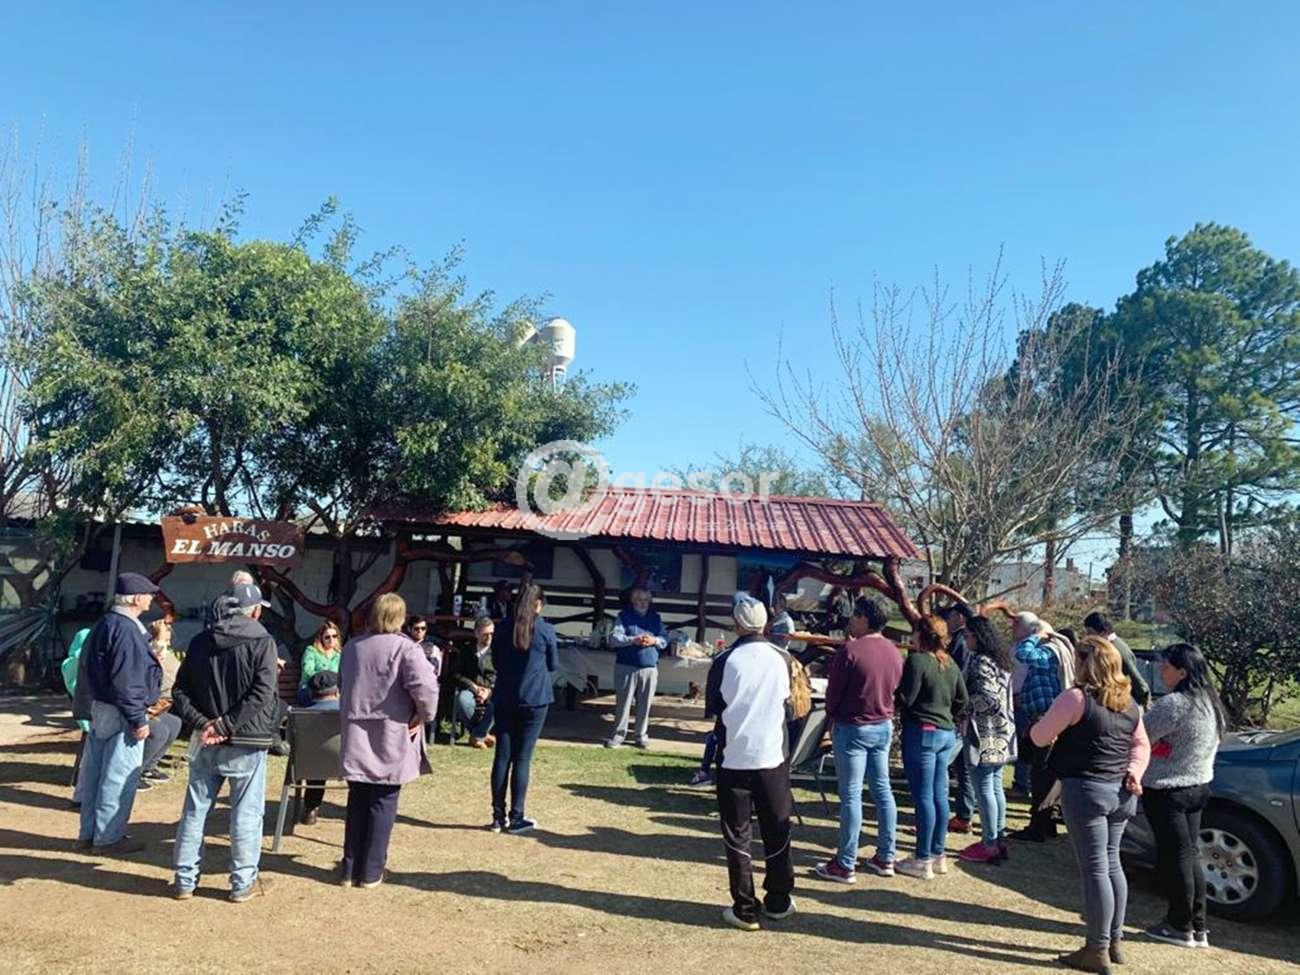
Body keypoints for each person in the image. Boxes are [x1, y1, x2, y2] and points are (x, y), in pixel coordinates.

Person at [1031, 637, 1150, 973]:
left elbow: (1040, 736)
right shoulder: (1129, 704)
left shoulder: (1076, 698)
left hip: (1086, 790)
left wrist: (1043, 724)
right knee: (1112, 865)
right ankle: (1113, 941)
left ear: (1085, 663)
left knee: (1096, 869)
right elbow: (1141, 745)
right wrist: (1134, 772)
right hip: (1121, 792)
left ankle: (1096, 949)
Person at [170, 582, 280, 902]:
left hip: (208, 737)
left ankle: (184, 880)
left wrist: (204, 723)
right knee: (246, 812)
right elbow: (262, 693)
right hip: (245, 737)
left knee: (195, 811)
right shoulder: (263, 642)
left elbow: (179, 690)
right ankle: (242, 882)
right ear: (254, 611)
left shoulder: (200, 642)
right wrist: (223, 724)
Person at [705, 592, 796, 930]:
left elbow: (715, 708)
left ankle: (744, 907)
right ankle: (778, 899)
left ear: (736, 624)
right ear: (765, 623)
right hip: (772, 755)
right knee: (777, 828)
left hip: (734, 757)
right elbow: (792, 705)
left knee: (737, 834)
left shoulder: (724, 660)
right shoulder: (783, 658)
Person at [338, 592, 440, 887]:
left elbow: (343, 685)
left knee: (358, 800)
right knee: (383, 801)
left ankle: (349, 870)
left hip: (356, 733)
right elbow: (426, 689)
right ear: (400, 618)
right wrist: (423, 716)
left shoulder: (352, 647)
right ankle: (371, 872)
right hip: (391, 732)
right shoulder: (407, 649)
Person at [1139, 643, 1224, 950]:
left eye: (1166, 667)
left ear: (1183, 672)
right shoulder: (1210, 702)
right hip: (1198, 785)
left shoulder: (1174, 704)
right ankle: (1198, 926)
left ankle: (1179, 925)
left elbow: (1140, 736)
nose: (1161, 672)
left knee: (1174, 858)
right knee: (1189, 854)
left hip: (1168, 789)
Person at [814, 597, 903, 883]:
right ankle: (886, 856)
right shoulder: (894, 651)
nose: (851, 619)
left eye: (855, 615)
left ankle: (845, 862)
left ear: (864, 618)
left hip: (853, 726)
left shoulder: (850, 651)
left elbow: (833, 693)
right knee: (882, 790)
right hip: (882, 724)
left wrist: (830, 718)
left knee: (851, 794)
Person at [76, 572, 162, 855]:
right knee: (118, 777)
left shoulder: (105, 623)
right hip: (122, 711)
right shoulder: (126, 630)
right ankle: (108, 838)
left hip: (101, 706)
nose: (151, 599)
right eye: (148, 594)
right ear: (136, 598)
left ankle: (88, 834)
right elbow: (127, 679)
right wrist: (138, 718)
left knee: (95, 775)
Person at [896, 613, 968, 880]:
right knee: (940, 794)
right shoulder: (950, 663)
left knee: (923, 796)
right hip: (946, 732)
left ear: (921, 634)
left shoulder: (917, 661)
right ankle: (938, 854)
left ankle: (922, 857)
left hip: (922, 731)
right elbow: (963, 699)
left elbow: (906, 698)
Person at [489, 583, 557, 833]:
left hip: (505, 696)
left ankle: (497, 816)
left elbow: (496, 662)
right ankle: (517, 816)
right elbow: (553, 664)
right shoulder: (545, 630)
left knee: (502, 756)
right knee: (523, 757)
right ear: (538, 604)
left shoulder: (502, 627)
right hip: (535, 698)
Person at [956, 615, 1017, 864]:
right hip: (1003, 729)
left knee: (984, 787)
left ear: (978, 637)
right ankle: (997, 838)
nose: (965, 640)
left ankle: (989, 842)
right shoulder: (1001, 660)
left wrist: (963, 706)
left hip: (984, 731)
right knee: (994, 785)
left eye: (967, 635)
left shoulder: (981, 661)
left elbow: (989, 699)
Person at [1010, 611, 1065, 842]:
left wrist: (1036, 635)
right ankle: (1046, 824)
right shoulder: (1047, 653)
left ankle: (1039, 826)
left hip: (1046, 719)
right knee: (1042, 772)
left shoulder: (1049, 651)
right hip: (1040, 717)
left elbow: (1023, 654)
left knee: (1042, 774)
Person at [604, 587, 666, 750]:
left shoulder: (656, 618)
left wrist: (654, 641)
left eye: (646, 600)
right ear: (633, 601)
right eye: (639, 600)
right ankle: (618, 735)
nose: (643, 603)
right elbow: (614, 639)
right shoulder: (623, 617)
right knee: (623, 704)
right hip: (626, 666)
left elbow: (665, 639)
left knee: (645, 705)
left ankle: (641, 736)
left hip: (649, 667)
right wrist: (633, 640)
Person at [939, 602, 977, 835]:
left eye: (951, 616)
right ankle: (964, 815)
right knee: (963, 767)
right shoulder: (966, 640)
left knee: (942, 763)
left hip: (958, 712)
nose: (948, 621)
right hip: (965, 712)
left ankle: (942, 815)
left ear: (960, 617)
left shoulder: (961, 642)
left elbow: (957, 676)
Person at [139, 619, 183, 789]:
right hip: (143, 707)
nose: (169, 644)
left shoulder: (167, 655)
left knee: (174, 723)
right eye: (166, 639)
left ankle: (149, 767)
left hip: (161, 705)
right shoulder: (147, 654)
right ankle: (134, 772)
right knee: (159, 731)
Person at [299, 669, 342, 826]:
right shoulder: (346, 713)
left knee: (315, 762)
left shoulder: (299, 715)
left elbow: (291, 741)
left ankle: (310, 809)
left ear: (311, 693)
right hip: (344, 764)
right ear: (337, 691)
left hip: (308, 767)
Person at [1083, 612, 1152, 707]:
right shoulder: (1108, 646)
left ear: (1103, 632)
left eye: (1090, 632)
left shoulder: (1116, 649)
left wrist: (1145, 704)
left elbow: (1136, 680)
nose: (1087, 636)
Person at [455, 616, 497, 748]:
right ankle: (481, 734)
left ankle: (477, 735)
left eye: (491, 634)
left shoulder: (498, 651)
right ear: (476, 633)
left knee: (499, 702)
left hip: (492, 689)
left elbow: (503, 675)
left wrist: (489, 691)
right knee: (462, 700)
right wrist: (473, 687)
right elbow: (456, 674)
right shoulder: (466, 650)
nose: (489, 637)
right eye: (485, 634)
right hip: (471, 688)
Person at [298, 620, 344, 705]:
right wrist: (328, 678)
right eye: (327, 637)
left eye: (334, 636)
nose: (331, 639)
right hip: (311, 690)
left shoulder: (340, 654)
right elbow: (307, 672)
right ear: (321, 638)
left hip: (333, 691)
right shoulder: (311, 651)